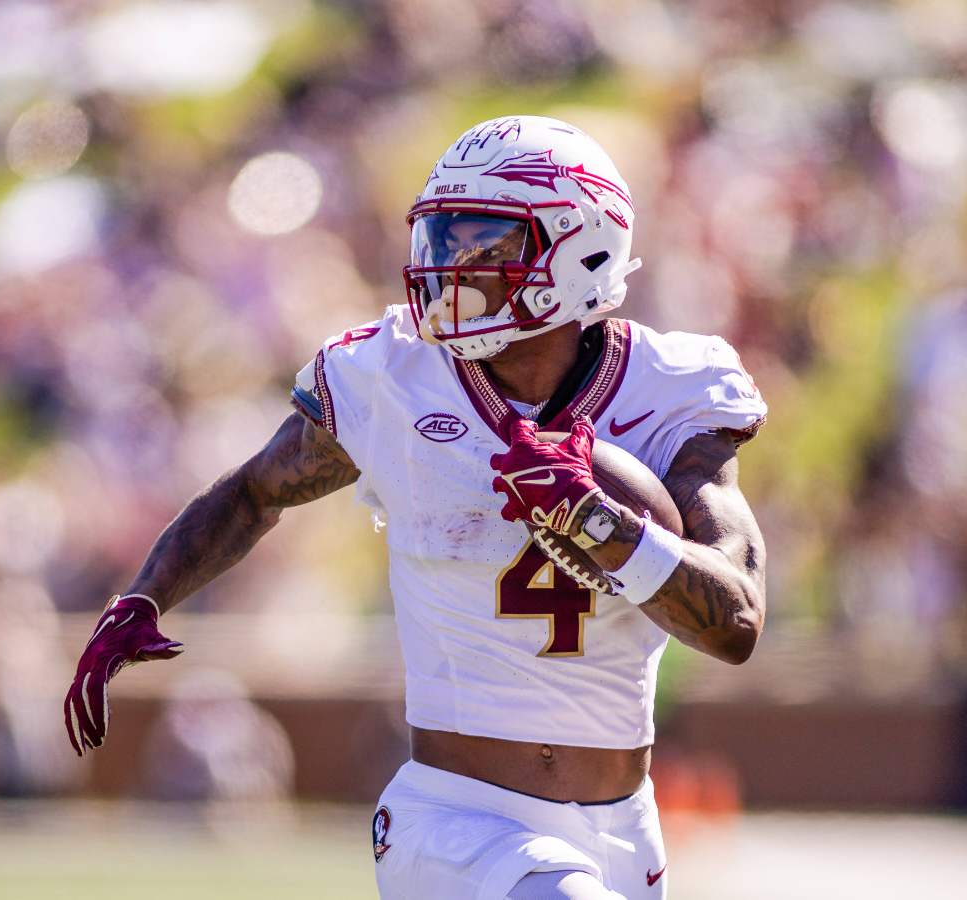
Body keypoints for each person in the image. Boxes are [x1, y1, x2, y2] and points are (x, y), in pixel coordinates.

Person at [64, 116, 767, 900]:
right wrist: (145, 597)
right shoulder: (392, 377)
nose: (448, 269)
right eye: (442, 241)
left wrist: (600, 524)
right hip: (457, 819)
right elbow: (255, 489)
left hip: (623, 828)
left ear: (583, 248)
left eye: (483, 245)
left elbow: (735, 620)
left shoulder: (671, 393)